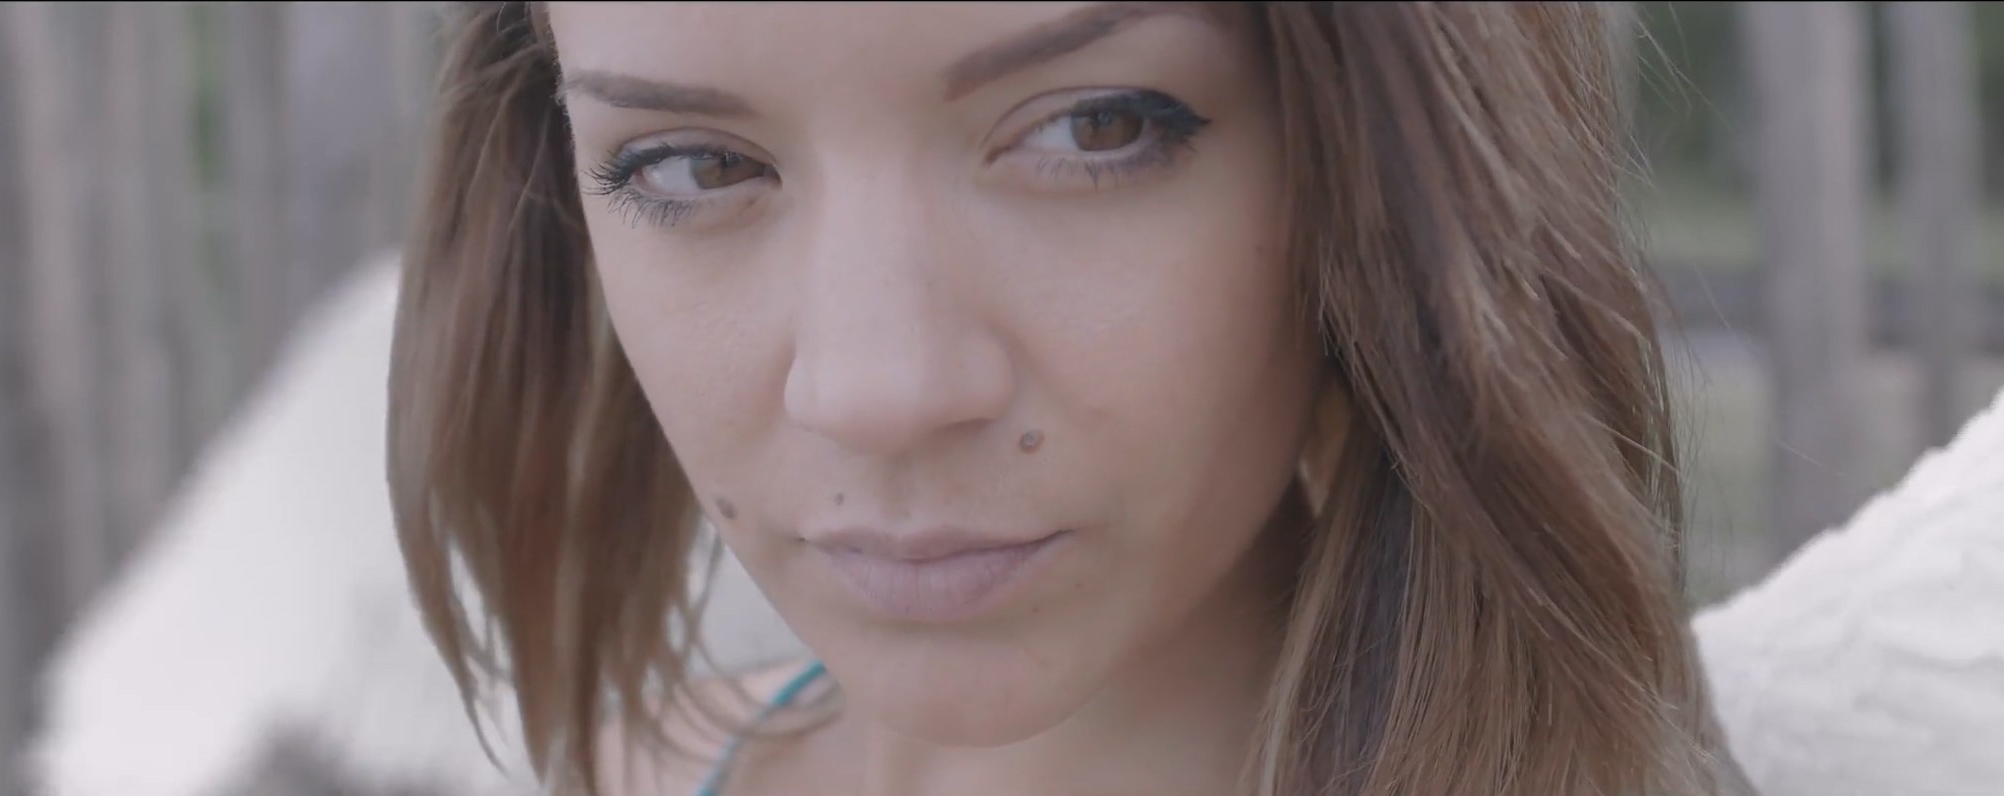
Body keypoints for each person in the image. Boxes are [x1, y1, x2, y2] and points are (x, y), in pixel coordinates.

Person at [386, 2, 1744, 795]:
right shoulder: (641, 769)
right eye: (694, 165)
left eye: (1095, 128)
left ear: (1381, 163)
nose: (878, 390)